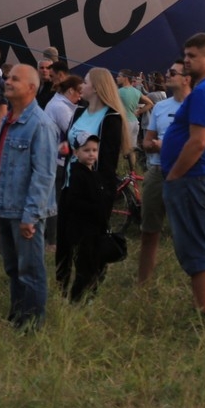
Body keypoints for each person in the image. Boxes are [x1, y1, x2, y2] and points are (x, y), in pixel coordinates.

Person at [0, 64, 59, 330]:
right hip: (4, 207)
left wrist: (31, 215)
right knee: (12, 267)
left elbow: (44, 176)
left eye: (14, 79)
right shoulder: (8, 120)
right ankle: (17, 315)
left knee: (31, 270)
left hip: (24, 211)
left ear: (31, 88)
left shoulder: (40, 125)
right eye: (8, 77)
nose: (7, 82)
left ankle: (32, 324)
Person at [160, 34, 205, 316]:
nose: (186, 60)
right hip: (204, 176)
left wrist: (174, 174)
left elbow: (198, 141)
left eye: (191, 56)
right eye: (185, 55)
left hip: (195, 178)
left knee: (197, 247)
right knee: (196, 243)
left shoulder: (204, 92)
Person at [57, 68, 128, 302]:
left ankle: (84, 295)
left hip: (92, 193)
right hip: (70, 187)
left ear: (97, 87)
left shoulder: (111, 118)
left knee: (87, 247)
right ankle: (62, 290)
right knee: (65, 243)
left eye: (85, 82)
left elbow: (107, 162)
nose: (81, 87)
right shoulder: (79, 112)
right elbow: (70, 145)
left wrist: (102, 196)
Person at [138, 60, 189, 286]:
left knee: (188, 231)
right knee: (149, 229)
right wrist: (153, 145)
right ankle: (143, 281)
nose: (167, 75)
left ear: (187, 78)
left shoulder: (196, 105)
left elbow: (199, 143)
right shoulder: (160, 107)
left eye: (172, 72)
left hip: (185, 173)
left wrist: (166, 145)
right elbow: (146, 141)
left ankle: (193, 278)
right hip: (157, 170)